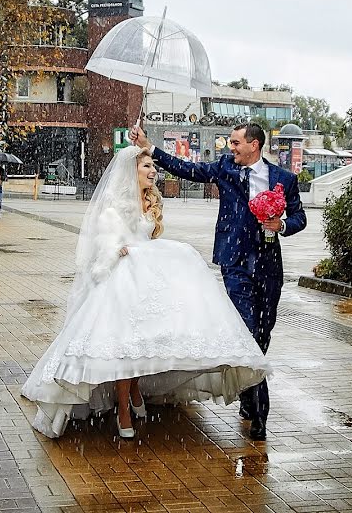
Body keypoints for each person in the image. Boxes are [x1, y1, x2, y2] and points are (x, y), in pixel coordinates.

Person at [21, 146, 271, 439]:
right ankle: (123, 408)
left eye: (154, 167)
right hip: (124, 277)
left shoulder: (150, 201)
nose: (153, 172)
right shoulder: (115, 208)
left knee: (145, 339)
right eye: (147, 168)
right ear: (132, 172)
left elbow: (150, 237)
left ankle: (136, 390)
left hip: (148, 274)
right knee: (125, 343)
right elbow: (103, 251)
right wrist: (117, 250)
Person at [129, 122, 306, 440]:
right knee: (248, 333)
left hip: (268, 265)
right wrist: (150, 147)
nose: (231, 148)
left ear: (254, 145)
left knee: (263, 334)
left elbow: (299, 217)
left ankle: (249, 392)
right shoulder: (225, 168)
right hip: (234, 263)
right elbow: (187, 169)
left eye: (236, 143)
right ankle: (260, 414)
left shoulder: (285, 179)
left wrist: (281, 224)